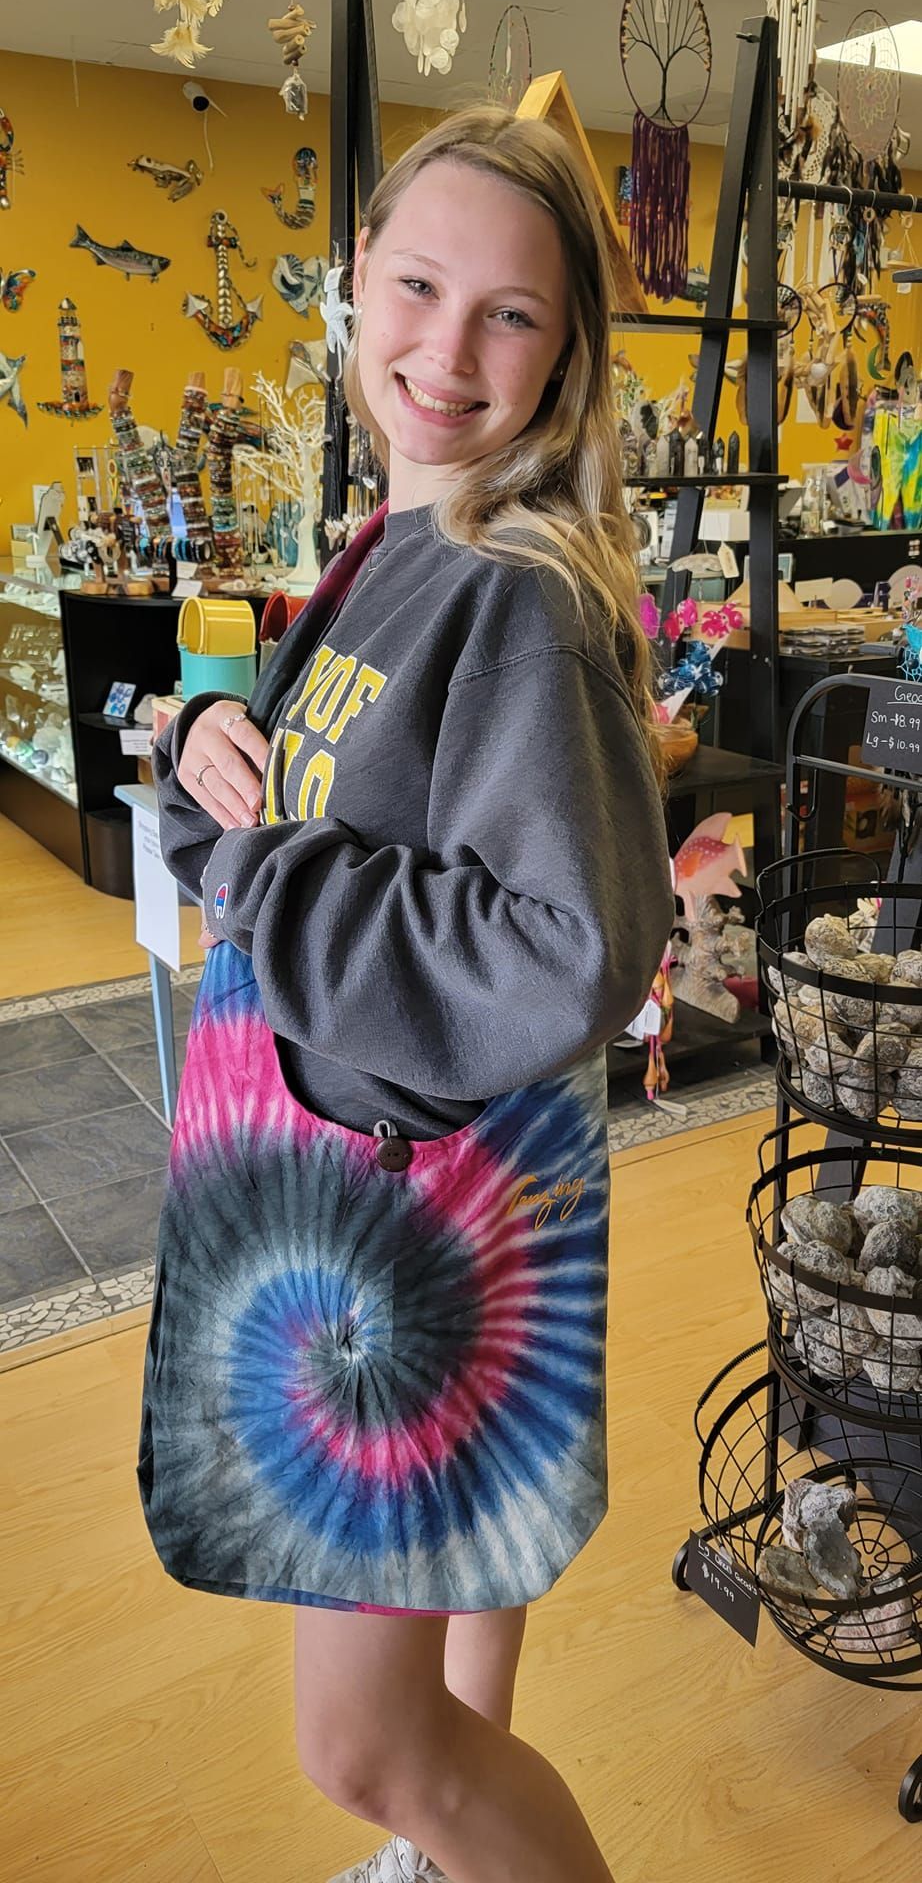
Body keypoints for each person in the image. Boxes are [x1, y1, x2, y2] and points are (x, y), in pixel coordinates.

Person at [140, 104, 674, 1883]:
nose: (447, 351)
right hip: (375, 1211)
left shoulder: (510, 594)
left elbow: (568, 948)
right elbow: (331, 796)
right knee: (451, 1647)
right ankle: (461, 1853)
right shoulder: (401, 540)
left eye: (510, 315)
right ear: (355, 276)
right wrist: (213, 741)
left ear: (567, 353)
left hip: (400, 1246)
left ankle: (464, 1836)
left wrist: (256, 872)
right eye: (420, 284)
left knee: (364, 1745)